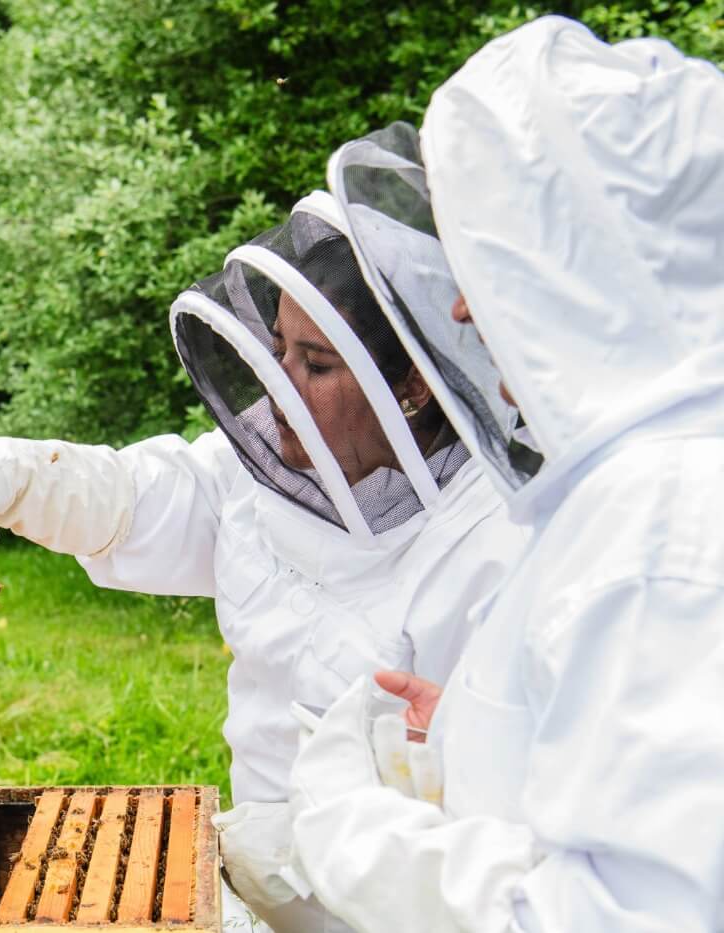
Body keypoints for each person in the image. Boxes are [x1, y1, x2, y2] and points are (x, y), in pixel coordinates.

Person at [0, 192, 529, 932]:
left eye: (316, 363)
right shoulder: (265, 472)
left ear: (414, 387)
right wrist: (8, 473)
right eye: (279, 348)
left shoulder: (503, 547)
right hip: (256, 884)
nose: (276, 383)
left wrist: (304, 842)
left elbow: (514, 831)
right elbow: (138, 498)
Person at [284, 16, 724, 932]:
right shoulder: (649, 485)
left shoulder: (665, 523)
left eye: (491, 262)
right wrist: (480, 720)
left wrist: (354, 833)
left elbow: (629, 915)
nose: (457, 306)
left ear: (580, 268)